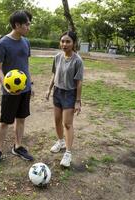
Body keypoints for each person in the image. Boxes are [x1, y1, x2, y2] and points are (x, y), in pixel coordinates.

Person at [0, 10, 34, 167]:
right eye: (27, 24)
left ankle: (18, 146)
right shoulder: (2, 44)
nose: (29, 27)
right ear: (17, 25)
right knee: (5, 121)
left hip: (25, 89)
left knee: (21, 119)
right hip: (10, 90)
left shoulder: (26, 42)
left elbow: (25, 66)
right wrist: (5, 85)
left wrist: (31, 84)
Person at [45, 31, 84, 167]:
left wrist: (78, 101)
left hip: (69, 94)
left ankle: (68, 153)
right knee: (57, 120)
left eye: (68, 41)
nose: (64, 44)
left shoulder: (77, 61)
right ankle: (60, 141)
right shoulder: (57, 57)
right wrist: (49, 89)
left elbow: (79, 82)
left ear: (73, 43)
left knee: (67, 124)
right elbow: (54, 74)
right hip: (57, 91)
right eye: (62, 41)